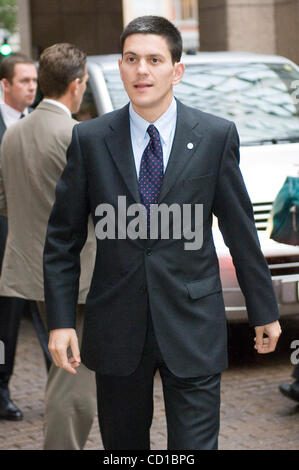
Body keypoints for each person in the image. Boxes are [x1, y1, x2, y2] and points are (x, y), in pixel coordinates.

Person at [43, 16, 282, 450]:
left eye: (155, 59)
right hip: (116, 329)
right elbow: (62, 240)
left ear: (177, 69)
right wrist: (60, 322)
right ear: (120, 66)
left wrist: (264, 309)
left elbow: (240, 231)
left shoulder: (214, 136)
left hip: (193, 325)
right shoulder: (90, 140)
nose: (142, 71)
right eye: (132, 59)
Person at [0, 43, 97, 449]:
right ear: (76, 85)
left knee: (65, 367)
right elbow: (99, 208)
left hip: (31, 268)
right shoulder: (77, 134)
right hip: (78, 273)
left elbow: (4, 200)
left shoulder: (14, 132)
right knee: (73, 374)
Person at [0, 53, 37, 421]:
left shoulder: (38, 124)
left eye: (34, 81)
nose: (31, 87)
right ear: (5, 85)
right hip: (4, 247)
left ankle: (60, 386)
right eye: (24, 81)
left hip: (39, 247)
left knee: (49, 321)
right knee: (4, 327)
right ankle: (1, 388)